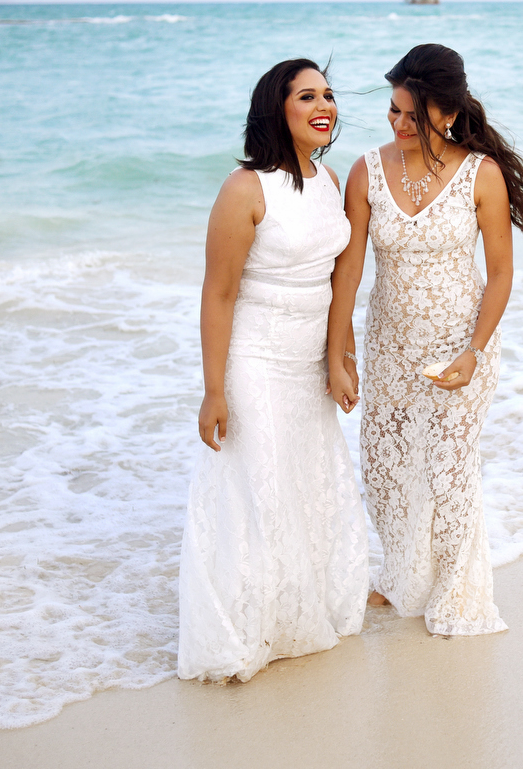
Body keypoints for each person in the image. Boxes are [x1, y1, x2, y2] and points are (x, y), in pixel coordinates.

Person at [327, 43, 523, 636]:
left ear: (445, 113)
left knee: (449, 469)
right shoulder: (366, 171)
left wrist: (473, 352)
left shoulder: (482, 175)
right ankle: (407, 578)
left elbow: (500, 273)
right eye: (392, 112)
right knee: (388, 468)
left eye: (410, 116)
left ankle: (458, 594)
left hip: (461, 344)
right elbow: (347, 270)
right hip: (390, 347)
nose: (398, 125)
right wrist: (339, 353)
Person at [178, 59, 368, 681]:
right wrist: (213, 391)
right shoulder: (244, 189)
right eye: (307, 95)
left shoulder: (326, 177)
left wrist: (339, 355)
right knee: (258, 491)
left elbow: (340, 277)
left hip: (307, 360)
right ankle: (249, 627)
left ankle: (296, 612)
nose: (325, 106)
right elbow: (219, 294)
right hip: (254, 361)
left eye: (329, 95)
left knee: (304, 483)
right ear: (276, 108)